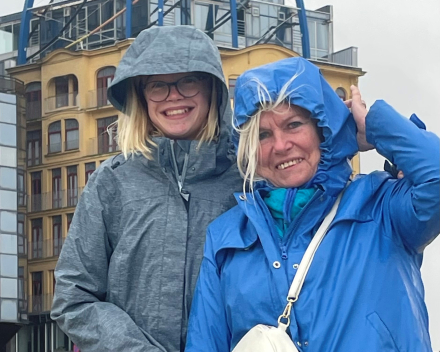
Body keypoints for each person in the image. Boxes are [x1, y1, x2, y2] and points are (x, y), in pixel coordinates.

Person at [185, 57, 440, 351]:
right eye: (263, 135)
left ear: (323, 129)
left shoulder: (382, 207)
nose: (280, 146)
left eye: (293, 125)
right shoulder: (226, 237)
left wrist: (375, 126)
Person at [51, 25, 242, 352]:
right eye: (157, 86)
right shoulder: (111, 182)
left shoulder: (247, 179)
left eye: (189, 81)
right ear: (140, 96)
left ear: (213, 88)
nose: (174, 96)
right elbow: (74, 298)